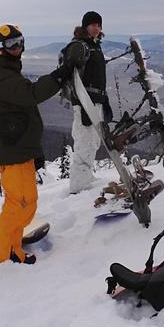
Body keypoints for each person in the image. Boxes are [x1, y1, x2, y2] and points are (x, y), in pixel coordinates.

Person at [0, 24, 77, 264]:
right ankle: (4, 255)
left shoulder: (6, 69)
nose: (18, 48)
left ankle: (10, 247)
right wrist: (59, 75)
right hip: (11, 150)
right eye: (12, 44)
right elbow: (29, 95)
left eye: (20, 42)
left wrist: (33, 151)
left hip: (18, 147)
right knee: (19, 204)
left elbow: (21, 111)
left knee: (26, 203)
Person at [61, 11, 112, 195]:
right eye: (92, 24)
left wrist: (103, 100)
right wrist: (81, 101)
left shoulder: (94, 46)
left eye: (99, 25)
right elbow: (71, 71)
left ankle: (86, 179)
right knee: (85, 143)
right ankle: (78, 189)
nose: (96, 28)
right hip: (84, 102)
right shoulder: (80, 45)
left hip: (94, 101)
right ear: (85, 26)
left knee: (93, 142)